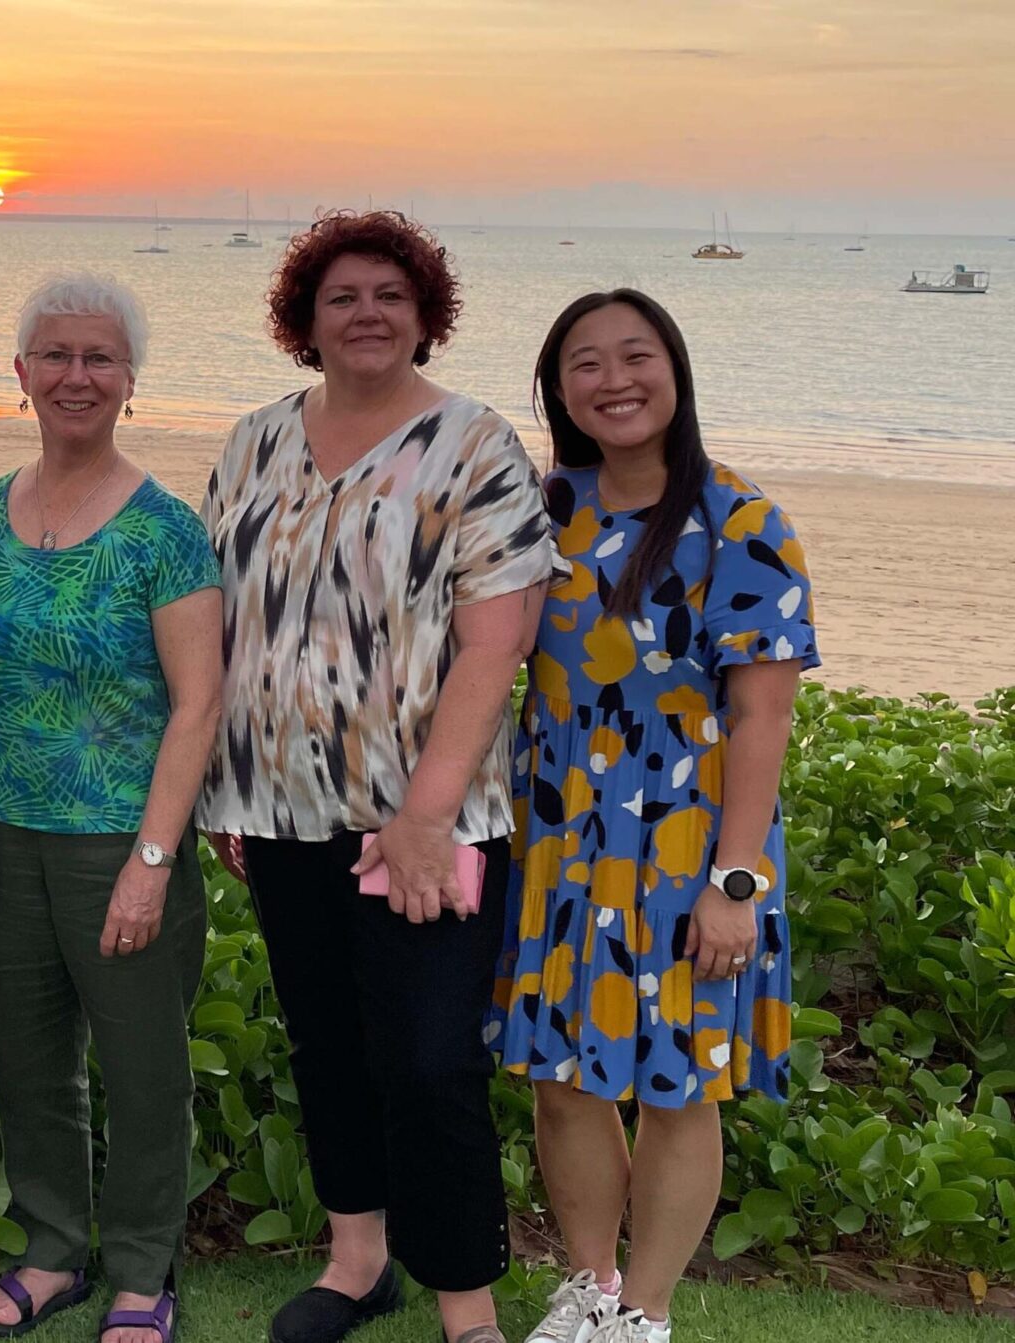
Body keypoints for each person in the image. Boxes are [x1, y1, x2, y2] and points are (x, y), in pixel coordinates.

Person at [199, 211, 565, 1343]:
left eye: (390, 295)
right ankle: (359, 1263)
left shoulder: (475, 444)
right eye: (343, 296)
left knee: (429, 1058)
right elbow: (222, 620)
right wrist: (221, 784)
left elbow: (496, 642)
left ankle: (468, 1308)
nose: (367, 313)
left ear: (426, 316)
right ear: (305, 320)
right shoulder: (254, 441)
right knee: (328, 1041)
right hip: (278, 808)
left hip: (426, 817)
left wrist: (424, 815)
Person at [494, 290, 816, 1343]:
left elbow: (763, 717)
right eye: (585, 363)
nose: (614, 380)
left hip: (689, 842)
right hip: (561, 837)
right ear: (559, 390)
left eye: (636, 356)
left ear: (675, 370)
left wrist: (735, 882)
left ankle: (646, 1310)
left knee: (679, 1085)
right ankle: (590, 1286)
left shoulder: (741, 521)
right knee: (561, 1079)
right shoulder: (541, 509)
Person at [0, 274, 222, 1343]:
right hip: (2, 833)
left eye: (99, 357)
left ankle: (146, 1269)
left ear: (129, 380)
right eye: (56, 355)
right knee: (26, 1058)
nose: (77, 375)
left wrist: (151, 861)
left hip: (122, 837)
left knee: (145, 1067)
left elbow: (199, 703)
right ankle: (53, 1247)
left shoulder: (166, 530)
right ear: (21, 374)